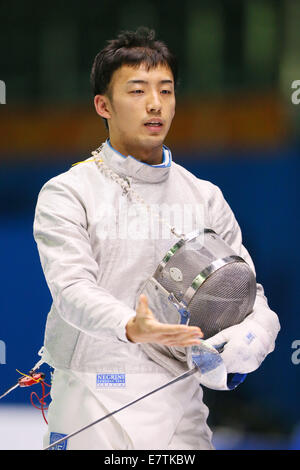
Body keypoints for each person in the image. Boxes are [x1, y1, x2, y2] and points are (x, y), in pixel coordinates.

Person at [33, 27, 280, 450]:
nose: (155, 104)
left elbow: (245, 292)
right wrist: (131, 325)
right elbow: (71, 289)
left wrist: (247, 341)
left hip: (178, 396)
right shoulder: (69, 191)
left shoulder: (204, 196)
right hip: (94, 391)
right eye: (137, 91)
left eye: (166, 91)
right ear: (103, 105)